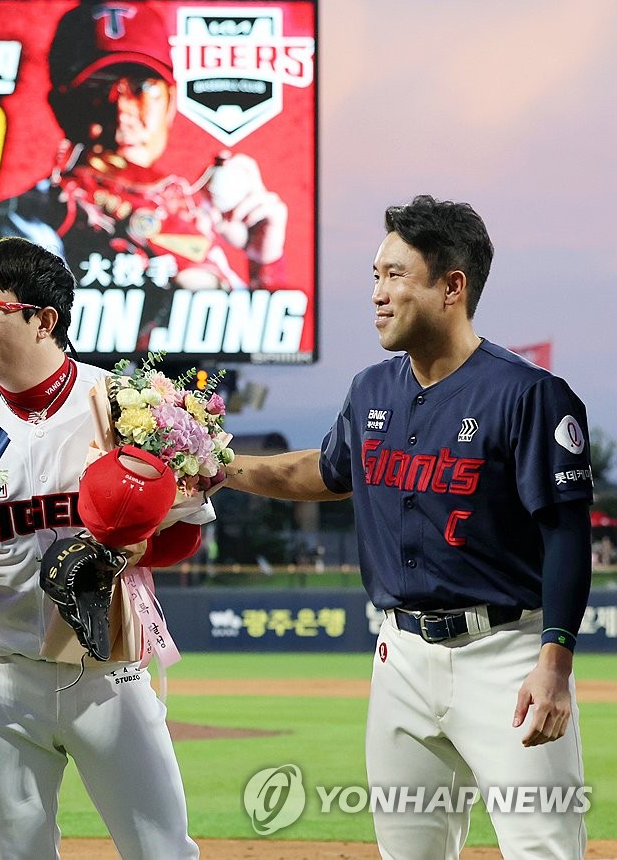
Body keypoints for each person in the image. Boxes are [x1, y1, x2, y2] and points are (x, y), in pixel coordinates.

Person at [223, 195, 592, 858]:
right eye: (375, 275)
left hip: (506, 653)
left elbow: (566, 534)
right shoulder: (370, 390)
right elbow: (324, 472)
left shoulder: (528, 394)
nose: (378, 294)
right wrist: (221, 466)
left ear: (453, 286)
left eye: (395, 274)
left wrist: (555, 665)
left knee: (544, 848)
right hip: (399, 657)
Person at [0, 236, 207, 859]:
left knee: (162, 850)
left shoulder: (126, 405)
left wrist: (134, 552)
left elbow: (186, 530)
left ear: (41, 319)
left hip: (107, 672)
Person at [0, 0, 288, 303]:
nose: (122, 115)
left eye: (142, 87)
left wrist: (264, 261)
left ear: (170, 104)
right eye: (97, 91)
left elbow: (258, 341)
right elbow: (44, 338)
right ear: (62, 109)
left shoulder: (186, 212)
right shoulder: (27, 218)